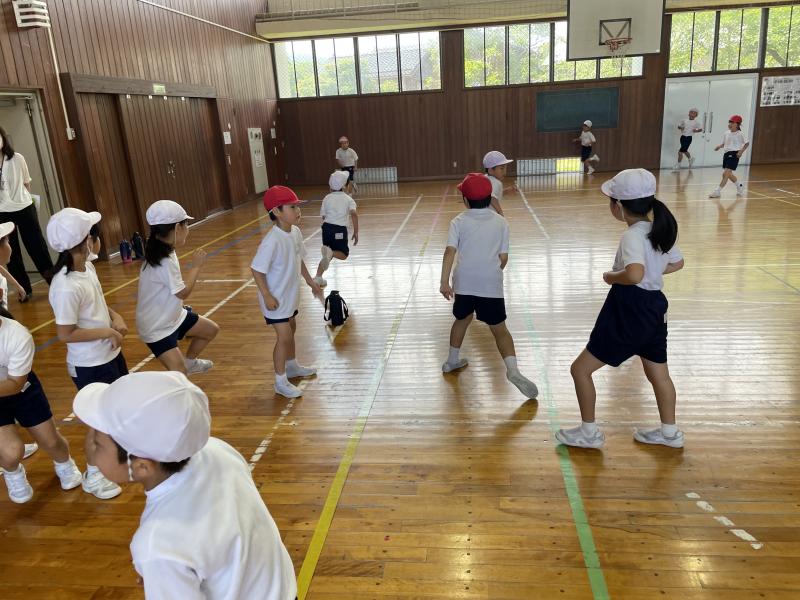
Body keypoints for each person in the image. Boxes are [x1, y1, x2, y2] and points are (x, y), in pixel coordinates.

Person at [72, 371, 298, 599]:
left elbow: (174, 549)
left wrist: (162, 572)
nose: (88, 446)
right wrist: (167, 575)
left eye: (97, 443)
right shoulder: (217, 449)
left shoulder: (158, 543)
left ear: (141, 466)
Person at [556, 169, 685, 449]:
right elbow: (677, 263)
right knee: (659, 374)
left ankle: (589, 433)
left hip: (629, 307)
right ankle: (670, 433)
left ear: (618, 206)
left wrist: (610, 276)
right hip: (655, 307)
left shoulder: (632, 236)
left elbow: (634, 274)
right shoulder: (659, 228)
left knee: (580, 370)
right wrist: (654, 272)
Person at [47, 207, 128, 499]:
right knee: (98, 422)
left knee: (113, 412)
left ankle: (111, 456)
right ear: (85, 242)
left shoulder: (87, 267)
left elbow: (98, 304)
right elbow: (65, 333)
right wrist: (108, 332)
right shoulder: (66, 286)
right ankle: (93, 476)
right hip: (89, 365)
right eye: (94, 234)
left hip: (108, 355)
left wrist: (115, 317)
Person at [0, 221, 83, 503]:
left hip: (19, 388)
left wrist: (14, 283)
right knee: (10, 452)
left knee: (51, 441)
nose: (8, 246)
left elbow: (15, 383)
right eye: (5, 241)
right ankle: (12, 470)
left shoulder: (16, 336)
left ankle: (64, 463)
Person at [439, 173, 539, 400]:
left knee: (462, 320)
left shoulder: (458, 221)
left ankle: (452, 361)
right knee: (500, 330)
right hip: (490, 283)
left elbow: (449, 251)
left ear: (465, 200)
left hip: (464, 283)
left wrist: (444, 282)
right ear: (490, 197)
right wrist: (491, 273)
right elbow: (503, 258)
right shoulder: (501, 222)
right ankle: (513, 370)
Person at [251, 186, 322, 399]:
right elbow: (256, 269)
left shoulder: (295, 232)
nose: (298, 211)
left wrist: (310, 282)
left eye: (297, 207)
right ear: (277, 211)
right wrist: (266, 295)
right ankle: (280, 382)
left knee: (291, 328)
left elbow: (299, 259)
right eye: (292, 207)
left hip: (289, 296)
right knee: (284, 337)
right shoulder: (272, 240)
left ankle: (292, 367)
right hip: (275, 299)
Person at [136, 200, 219, 375]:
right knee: (179, 374)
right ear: (177, 228)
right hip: (157, 328)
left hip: (173, 317)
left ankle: (190, 363)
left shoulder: (164, 249)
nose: (188, 229)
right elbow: (183, 293)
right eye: (186, 224)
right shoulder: (164, 260)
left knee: (210, 330)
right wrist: (196, 266)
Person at [0, 126, 54, 301]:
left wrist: (27, 202)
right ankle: (24, 290)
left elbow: (26, 183)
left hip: (24, 208)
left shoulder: (17, 158)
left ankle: (54, 283)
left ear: (3, 138)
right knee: (11, 252)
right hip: (2, 212)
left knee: (37, 246)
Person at [314, 170, 359, 288]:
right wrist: (356, 231)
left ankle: (318, 277)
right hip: (339, 230)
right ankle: (331, 253)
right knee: (343, 254)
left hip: (326, 229)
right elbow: (354, 214)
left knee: (327, 256)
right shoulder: (348, 199)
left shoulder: (326, 198)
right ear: (344, 186)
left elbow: (323, 216)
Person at [709, 115, 749, 198]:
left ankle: (717, 191)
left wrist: (741, 151)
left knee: (725, 174)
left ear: (738, 124)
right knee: (728, 174)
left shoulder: (740, 134)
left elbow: (746, 143)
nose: (730, 124)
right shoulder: (726, 133)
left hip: (734, 154)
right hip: (726, 154)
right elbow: (725, 143)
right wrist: (719, 146)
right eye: (730, 122)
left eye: (732, 123)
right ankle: (739, 185)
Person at [482, 151, 512, 216]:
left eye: (505, 168)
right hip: (490, 216)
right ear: (490, 170)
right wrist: (500, 211)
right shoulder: (496, 182)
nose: (504, 171)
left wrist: (505, 191)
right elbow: (491, 197)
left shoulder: (485, 178)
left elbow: (491, 194)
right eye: (501, 168)